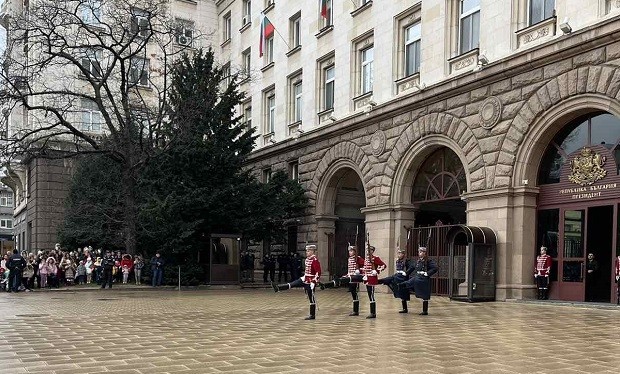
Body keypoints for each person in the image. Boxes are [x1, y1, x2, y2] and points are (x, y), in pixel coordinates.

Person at [271, 244, 321, 320]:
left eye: (308, 251)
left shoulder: (315, 260)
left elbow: (318, 272)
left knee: (311, 298)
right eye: (306, 251)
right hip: (304, 278)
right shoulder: (307, 259)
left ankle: (312, 315)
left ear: (312, 251)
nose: (306, 252)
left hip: (310, 281)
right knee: (292, 284)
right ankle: (278, 288)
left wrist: (314, 282)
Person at [319, 245, 365, 316]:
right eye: (349, 251)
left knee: (349, 287)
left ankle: (336, 282)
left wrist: (359, 270)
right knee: (353, 294)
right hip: (350, 275)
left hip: (356, 277)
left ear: (355, 252)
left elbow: (366, 266)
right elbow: (349, 269)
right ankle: (325, 285)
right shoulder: (349, 259)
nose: (350, 252)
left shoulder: (358, 258)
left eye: (351, 251)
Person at [397, 246, 438, 315]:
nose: (419, 253)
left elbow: (435, 268)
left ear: (425, 253)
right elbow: (412, 268)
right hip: (418, 278)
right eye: (419, 252)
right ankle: (404, 285)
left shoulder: (428, 261)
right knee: (411, 282)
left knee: (425, 296)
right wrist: (406, 273)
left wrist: (427, 273)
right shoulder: (418, 261)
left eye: (421, 252)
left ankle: (425, 311)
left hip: (424, 279)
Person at [378, 248, 413, 313]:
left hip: (403, 278)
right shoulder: (398, 260)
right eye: (398, 253)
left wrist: (406, 272)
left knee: (403, 293)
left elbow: (412, 267)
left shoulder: (407, 261)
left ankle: (405, 309)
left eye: (400, 253)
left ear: (403, 254)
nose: (399, 255)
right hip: (397, 275)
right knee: (389, 279)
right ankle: (378, 281)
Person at [361, 244, 386, 318]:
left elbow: (384, 265)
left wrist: (377, 271)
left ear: (372, 251)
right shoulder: (366, 259)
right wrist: (363, 273)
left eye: (369, 250)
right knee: (369, 294)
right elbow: (365, 268)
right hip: (367, 279)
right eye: (367, 250)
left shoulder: (375, 258)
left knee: (371, 295)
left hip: (372, 279)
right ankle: (372, 312)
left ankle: (373, 313)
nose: (368, 252)